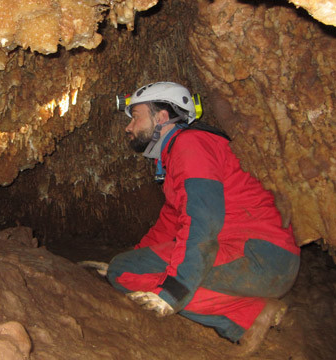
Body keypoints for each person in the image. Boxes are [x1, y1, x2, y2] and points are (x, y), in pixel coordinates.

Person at [107, 82, 300, 356]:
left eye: (136, 116)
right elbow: (170, 223)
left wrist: (173, 291)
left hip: (256, 255)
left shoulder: (191, 144)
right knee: (126, 268)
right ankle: (251, 308)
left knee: (125, 272)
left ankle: (249, 316)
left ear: (161, 117)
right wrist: (135, 258)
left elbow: (202, 221)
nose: (129, 127)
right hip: (262, 257)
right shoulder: (178, 154)